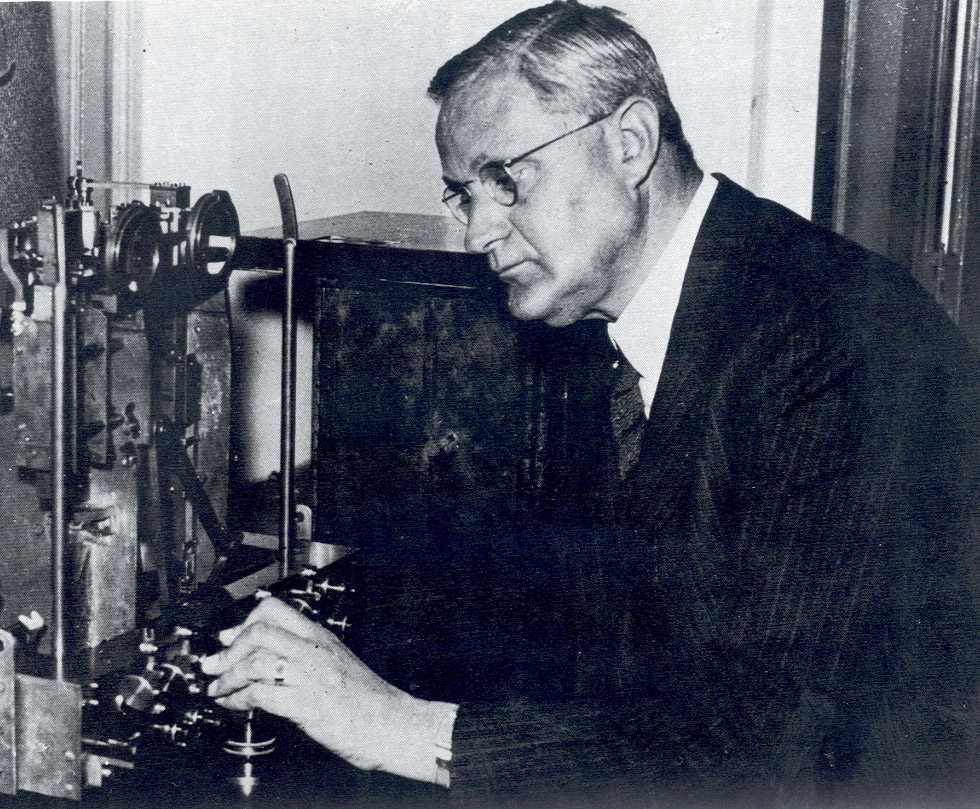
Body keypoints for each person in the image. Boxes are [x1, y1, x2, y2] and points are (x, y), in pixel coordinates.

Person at [202, 2, 980, 806]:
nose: (477, 233)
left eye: (506, 180)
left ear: (631, 143)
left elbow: (774, 742)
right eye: (464, 195)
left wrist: (396, 725)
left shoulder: (828, 337)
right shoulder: (615, 331)